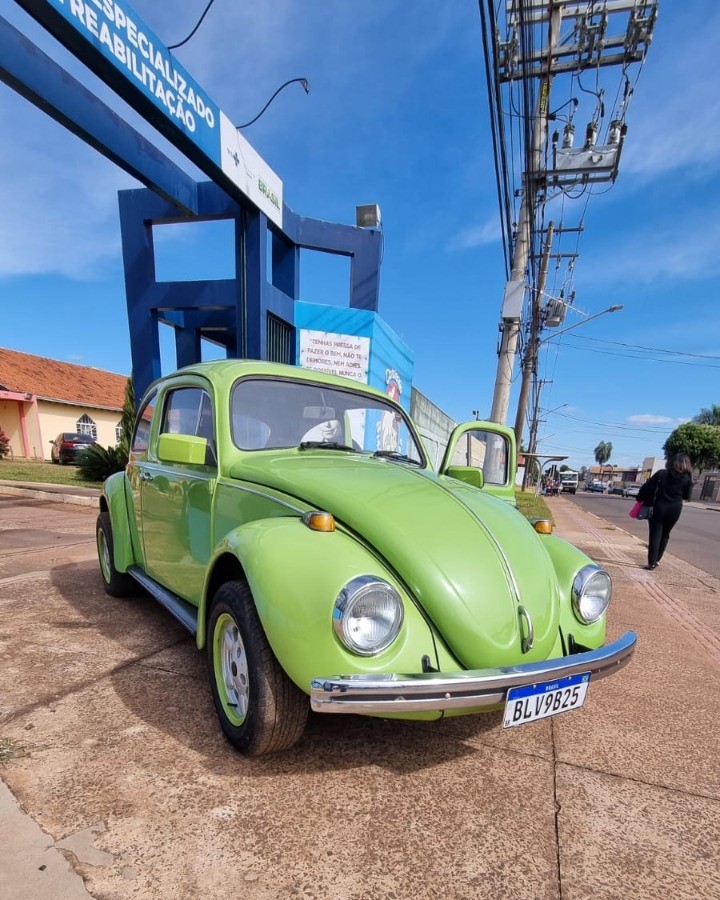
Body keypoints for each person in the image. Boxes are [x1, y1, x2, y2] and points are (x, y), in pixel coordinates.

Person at [637, 453, 693, 570]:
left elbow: (648, 487)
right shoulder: (687, 478)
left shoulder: (662, 473)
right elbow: (687, 496)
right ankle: (657, 559)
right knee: (666, 534)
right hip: (675, 509)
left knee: (655, 534)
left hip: (659, 507)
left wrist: (640, 498)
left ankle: (651, 562)